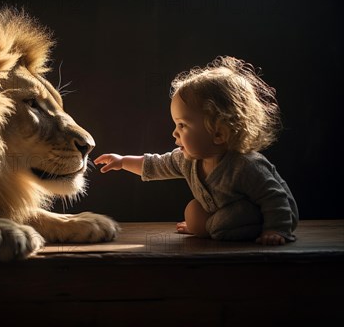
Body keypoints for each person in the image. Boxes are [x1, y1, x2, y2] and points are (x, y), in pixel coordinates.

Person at [94, 56, 298, 245]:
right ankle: (209, 226)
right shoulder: (187, 160)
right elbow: (154, 165)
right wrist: (122, 161)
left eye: (182, 125)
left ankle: (214, 227)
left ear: (219, 133)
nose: (175, 133)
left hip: (271, 215)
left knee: (222, 223)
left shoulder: (245, 165)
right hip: (227, 212)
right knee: (193, 210)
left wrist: (276, 230)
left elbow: (275, 198)